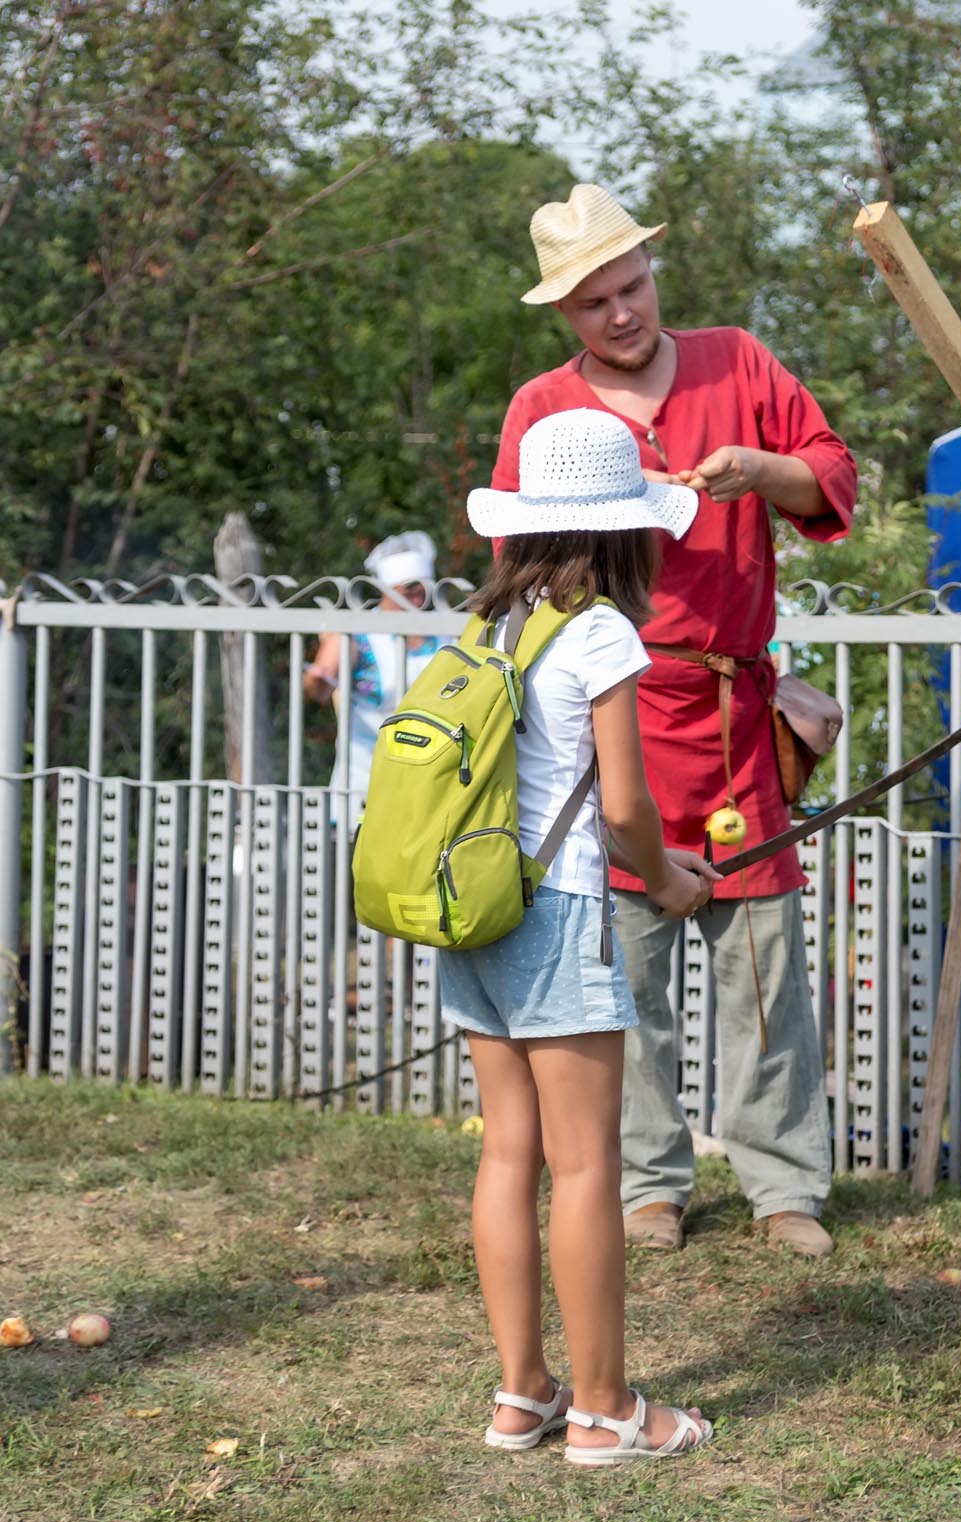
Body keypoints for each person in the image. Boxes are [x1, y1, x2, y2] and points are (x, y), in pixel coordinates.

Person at [495, 184, 858, 1258]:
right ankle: (648, 1182)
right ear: (565, 313)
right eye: (595, 300)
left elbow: (832, 477)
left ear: (653, 274)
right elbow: (517, 562)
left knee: (765, 972)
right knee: (623, 975)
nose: (621, 312)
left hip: (734, 717)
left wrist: (762, 471)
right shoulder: (540, 411)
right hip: (614, 720)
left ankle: (785, 1184)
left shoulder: (740, 363)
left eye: (633, 285)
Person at [451, 407, 720, 1465]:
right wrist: (667, 881)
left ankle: (523, 1396)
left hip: (477, 910)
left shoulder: (486, 623)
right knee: (587, 1165)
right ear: (626, 531)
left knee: (509, 1153)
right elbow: (621, 807)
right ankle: (609, 1411)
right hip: (562, 913)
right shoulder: (602, 631)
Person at [303, 531, 441, 826]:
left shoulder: (444, 634)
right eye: (409, 588)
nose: (418, 595)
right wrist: (319, 680)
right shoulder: (359, 631)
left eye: (423, 588)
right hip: (364, 780)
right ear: (388, 589)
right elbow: (320, 682)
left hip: (429, 780)